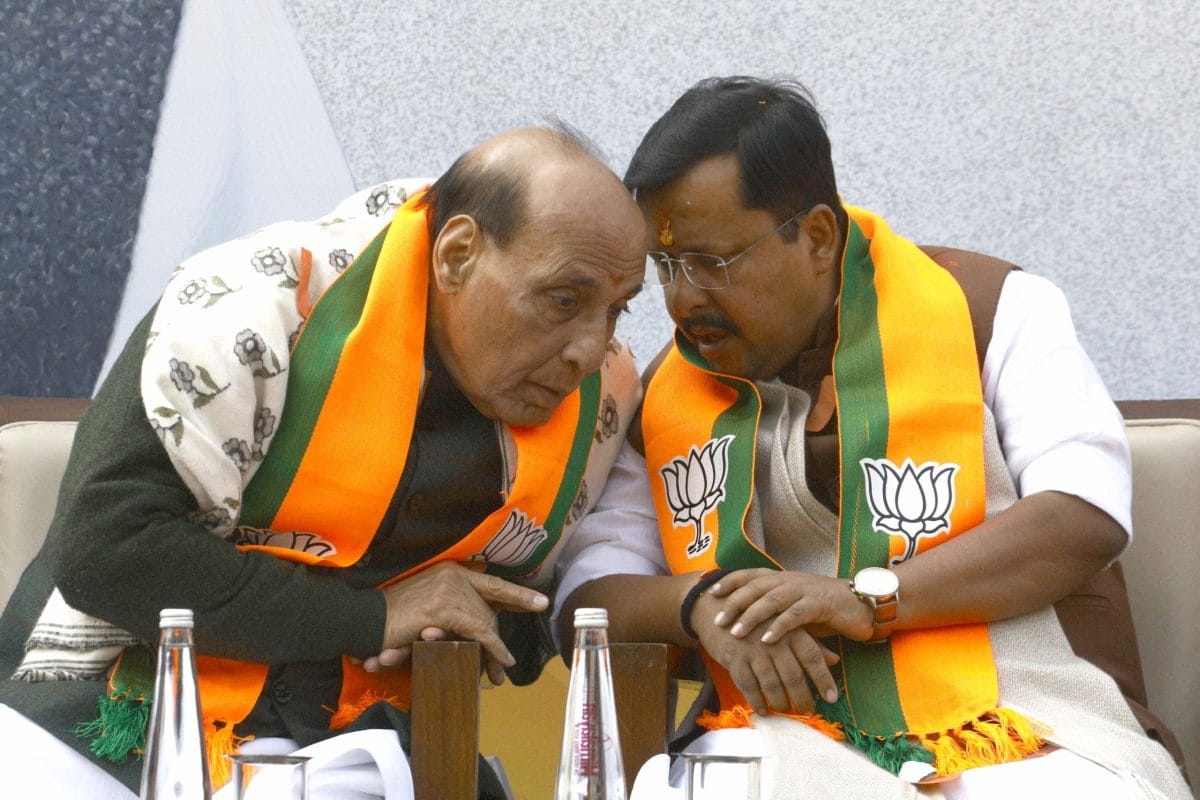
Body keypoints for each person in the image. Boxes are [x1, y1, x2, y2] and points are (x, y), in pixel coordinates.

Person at [554, 77, 1191, 798]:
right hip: (788, 732)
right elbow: (591, 594)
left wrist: (863, 600)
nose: (682, 299)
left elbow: (1083, 514)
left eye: (711, 263)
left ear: (818, 237)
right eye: (666, 267)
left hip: (1027, 724)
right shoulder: (671, 389)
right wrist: (701, 604)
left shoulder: (992, 311)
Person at [0, 125, 647, 799]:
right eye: (564, 302)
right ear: (458, 254)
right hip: (116, 710)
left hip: (356, 741)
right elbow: (107, 551)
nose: (587, 348)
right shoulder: (252, 307)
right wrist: (369, 616)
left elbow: (529, 606)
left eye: (616, 311)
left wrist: (461, 621)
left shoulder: (603, 394)